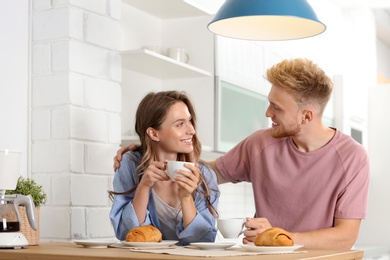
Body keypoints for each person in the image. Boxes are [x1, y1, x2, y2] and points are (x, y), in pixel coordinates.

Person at [113, 58, 370, 250]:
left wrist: (280, 237)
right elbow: (205, 172)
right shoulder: (260, 143)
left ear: (307, 116)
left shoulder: (352, 158)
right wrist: (145, 150)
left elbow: (346, 236)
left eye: (276, 107)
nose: (268, 113)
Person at [108, 91, 219, 246]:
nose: (191, 130)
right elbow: (127, 234)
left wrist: (186, 197)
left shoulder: (205, 175)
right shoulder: (130, 164)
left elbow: (204, 241)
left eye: (189, 121)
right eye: (180, 124)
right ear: (153, 133)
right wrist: (144, 187)